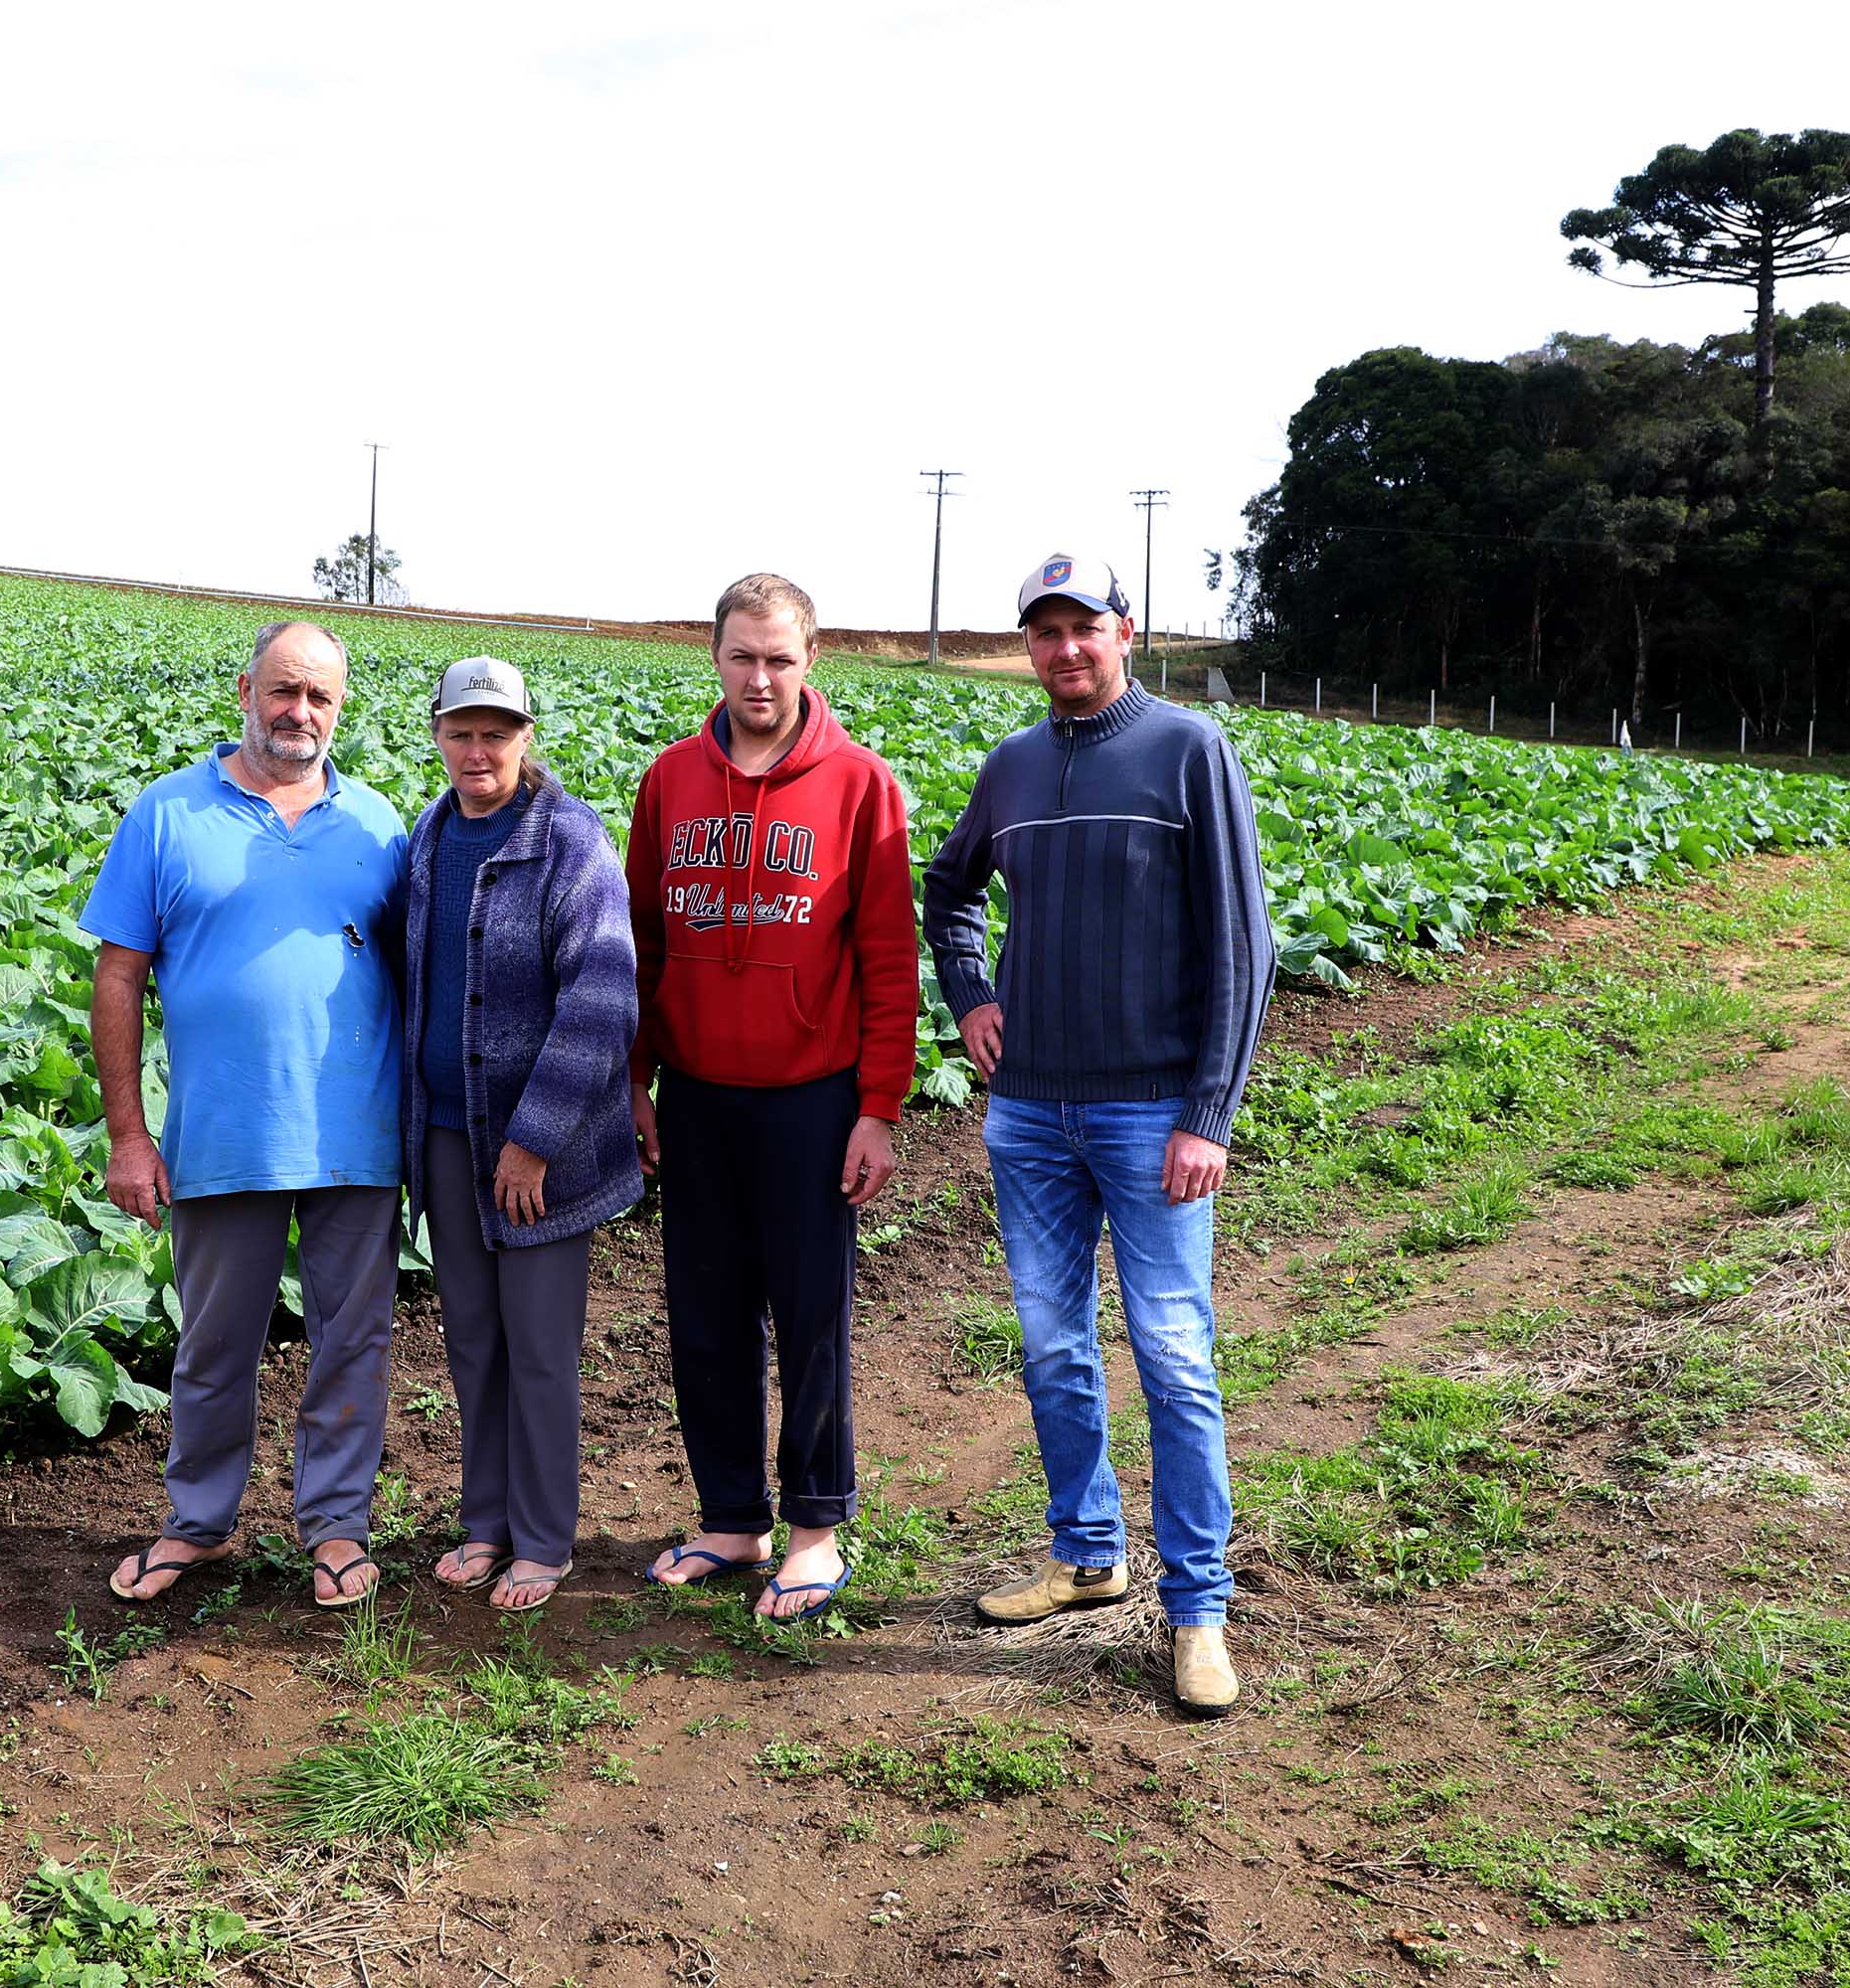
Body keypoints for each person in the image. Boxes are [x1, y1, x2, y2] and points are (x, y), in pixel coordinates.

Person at [921, 552, 1273, 1718]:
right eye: (1045, 631)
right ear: (1028, 645)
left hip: (1148, 1112)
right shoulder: (1014, 764)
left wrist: (1206, 1113)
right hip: (1029, 1111)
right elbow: (951, 886)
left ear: (1127, 630)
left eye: (1085, 627)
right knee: (1051, 1340)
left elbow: (1243, 943)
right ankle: (1085, 1554)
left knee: (1173, 1356)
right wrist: (969, 993)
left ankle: (1198, 1609)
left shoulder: (1186, 749)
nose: (1066, 648)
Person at [81, 620, 409, 1611]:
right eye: (282, 690)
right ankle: (198, 1523)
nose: (298, 711)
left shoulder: (380, 824)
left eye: (319, 696)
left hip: (357, 1131)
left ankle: (337, 1526)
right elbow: (118, 974)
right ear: (245, 689)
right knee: (216, 1343)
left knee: (352, 1342)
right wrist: (129, 1133)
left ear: (340, 706)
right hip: (224, 1133)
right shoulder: (168, 813)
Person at [627, 573, 920, 1623]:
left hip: (812, 1098)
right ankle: (730, 1518)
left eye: (780, 658)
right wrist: (636, 1081)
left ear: (810, 662)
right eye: (744, 656)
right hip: (699, 1095)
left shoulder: (858, 784)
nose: (761, 677)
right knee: (704, 1314)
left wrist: (878, 1105)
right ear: (715, 657)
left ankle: (814, 1528)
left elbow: (890, 959)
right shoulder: (669, 781)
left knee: (811, 1318)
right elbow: (647, 948)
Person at [399, 657, 641, 1614]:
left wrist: (534, 1136)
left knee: (539, 1346)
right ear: (438, 735)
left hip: (540, 1152)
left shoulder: (569, 840)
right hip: (449, 1139)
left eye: (496, 732)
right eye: (461, 731)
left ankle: (543, 1540)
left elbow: (603, 997)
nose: (478, 749)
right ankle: (484, 1520)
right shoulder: (427, 835)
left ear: (525, 738)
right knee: (472, 1342)